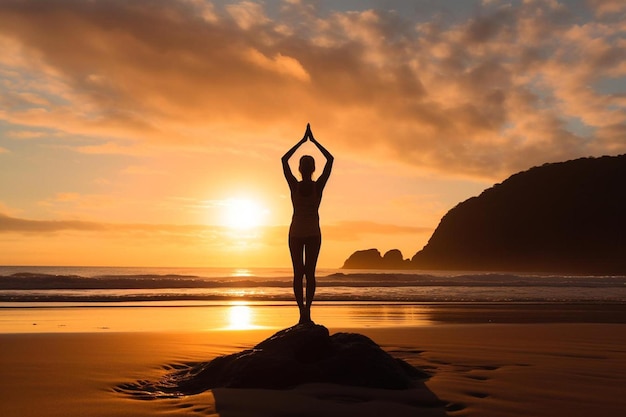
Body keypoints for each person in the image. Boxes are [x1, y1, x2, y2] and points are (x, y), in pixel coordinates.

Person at [282, 123, 334, 324]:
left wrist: (302, 142)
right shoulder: (317, 186)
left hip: (299, 233)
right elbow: (330, 160)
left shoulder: (296, 185)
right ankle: (306, 313)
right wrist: (313, 141)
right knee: (308, 274)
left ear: (301, 168)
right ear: (313, 168)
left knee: (300, 274)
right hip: (310, 233)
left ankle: (303, 313)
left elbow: (283, 159)